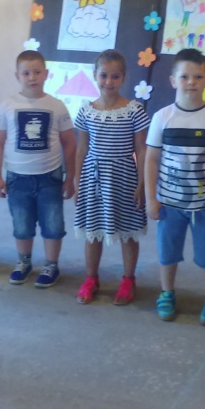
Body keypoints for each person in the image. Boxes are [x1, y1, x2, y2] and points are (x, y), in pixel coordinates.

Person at [145, 48, 205, 326]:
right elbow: (151, 159)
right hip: (169, 203)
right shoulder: (162, 117)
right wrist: (151, 198)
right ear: (173, 80)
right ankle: (167, 293)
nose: (191, 82)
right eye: (184, 76)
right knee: (167, 252)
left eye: (198, 76)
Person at [0, 50, 76, 288]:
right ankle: (24, 262)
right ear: (17, 75)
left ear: (46, 74)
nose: (32, 77)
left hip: (50, 178)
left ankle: (51, 265)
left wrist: (70, 178)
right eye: (26, 73)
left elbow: (70, 144)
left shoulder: (57, 106)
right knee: (22, 225)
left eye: (37, 72)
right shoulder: (7, 105)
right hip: (17, 179)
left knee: (53, 225)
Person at [73, 50, 150, 305]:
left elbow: (141, 149)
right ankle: (91, 278)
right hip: (93, 179)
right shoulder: (86, 111)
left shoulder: (134, 110)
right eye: (103, 75)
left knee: (128, 230)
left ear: (123, 77)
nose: (109, 81)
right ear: (95, 75)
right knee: (92, 231)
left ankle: (128, 279)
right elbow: (82, 148)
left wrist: (142, 183)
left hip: (124, 178)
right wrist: (77, 181)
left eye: (115, 76)